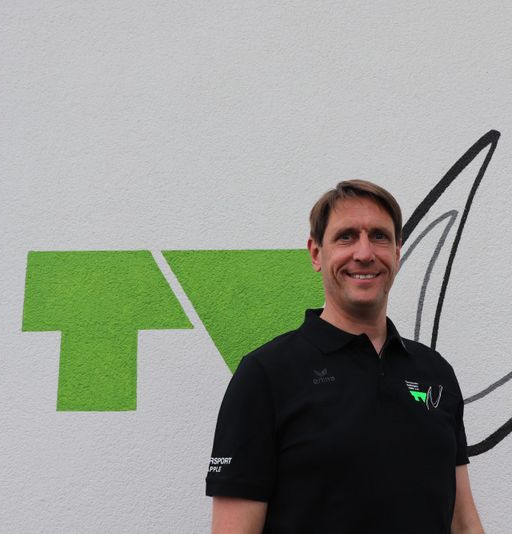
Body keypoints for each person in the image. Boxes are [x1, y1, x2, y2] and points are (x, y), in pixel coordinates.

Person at [206, 180, 484, 533]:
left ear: (397, 252)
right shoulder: (266, 375)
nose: (364, 253)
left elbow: (464, 524)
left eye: (379, 236)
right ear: (316, 253)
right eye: (346, 236)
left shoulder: (435, 373)